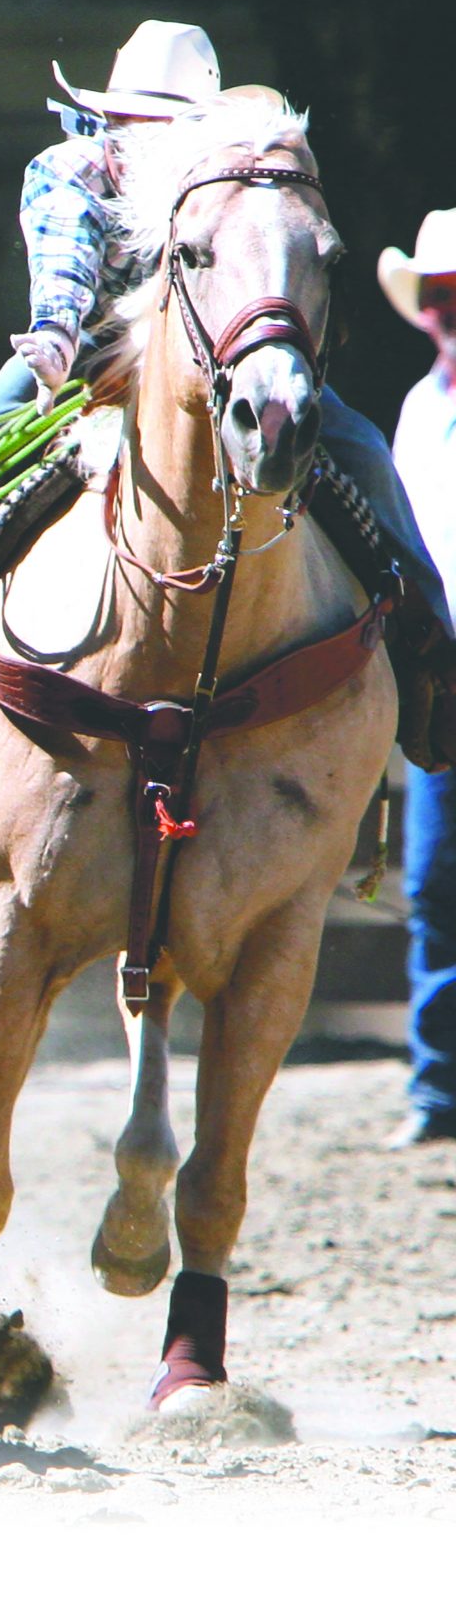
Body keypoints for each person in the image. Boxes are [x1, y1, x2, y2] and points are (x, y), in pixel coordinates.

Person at [0, 20, 453, 747]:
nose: (155, 139)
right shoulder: (72, 171)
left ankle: (432, 654)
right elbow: (65, 265)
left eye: (173, 125)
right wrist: (53, 337)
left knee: (364, 451)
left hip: (215, 365)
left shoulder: (222, 187)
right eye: (143, 120)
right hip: (87, 361)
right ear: (112, 117)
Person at [381, 210, 456, 1147]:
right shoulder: (417, 409)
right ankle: (437, 1088)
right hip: (444, 674)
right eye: (440, 296)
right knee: (433, 883)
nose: (447, 310)